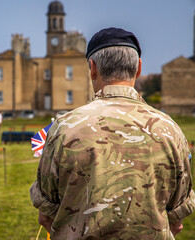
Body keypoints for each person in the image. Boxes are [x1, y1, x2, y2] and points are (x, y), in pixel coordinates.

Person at [30, 27, 195, 239]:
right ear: (138, 69)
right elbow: (177, 219)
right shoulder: (169, 129)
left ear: (92, 68)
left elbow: (46, 216)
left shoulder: (64, 128)